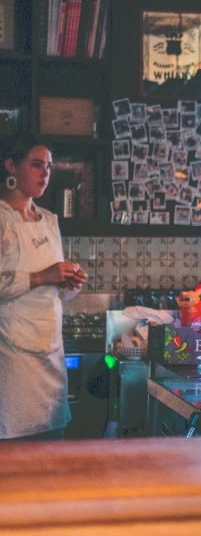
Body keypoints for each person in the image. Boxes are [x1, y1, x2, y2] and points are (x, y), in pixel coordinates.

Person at [0, 134, 87, 441]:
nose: (45, 173)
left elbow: (58, 290)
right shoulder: (2, 220)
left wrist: (70, 282)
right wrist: (42, 276)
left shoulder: (49, 221)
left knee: (52, 449)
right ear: (11, 166)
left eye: (49, 166)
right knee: (16, 450)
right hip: (13, 359)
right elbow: (41, 278)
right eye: (36, 164)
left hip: (50, 353)